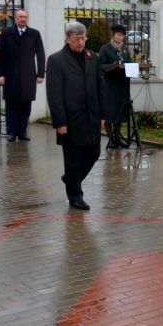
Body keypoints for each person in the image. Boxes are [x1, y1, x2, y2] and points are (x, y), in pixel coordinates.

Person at [46, 22, 104, 210]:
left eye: (83, 38)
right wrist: (59, 121)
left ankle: (71, 179)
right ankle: (75, 196)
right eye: (76, 39)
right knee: (73, 159)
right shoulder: (56, 60)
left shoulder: (92, 57)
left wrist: (103, 114)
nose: (80, 42)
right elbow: (54, 93)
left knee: (94, 152)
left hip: (91, 115)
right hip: (70, 119)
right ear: (67, 38)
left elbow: (100, 87)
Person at [0, 8, 45, 141]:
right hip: (11, 75)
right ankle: (11, 132)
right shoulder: (6, 33)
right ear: (15, 18)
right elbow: (0, 55)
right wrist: (0, 74)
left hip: (28, 76)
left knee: (25, 105)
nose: (23, 19)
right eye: (20, 17)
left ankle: (22, 131)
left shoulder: (34, 34)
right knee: (11, 105)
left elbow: (40, 54)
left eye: (25, 17)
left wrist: (40, 74)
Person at [98, 24, 133, 149]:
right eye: (118, 35)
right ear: (113, 35)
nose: (120, 37)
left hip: (122, 85)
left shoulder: (124, 49)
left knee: (119, 111)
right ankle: (111, 139)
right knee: (109, 112)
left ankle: (117, 138)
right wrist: (111, 66)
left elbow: (129, 63)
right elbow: (100, 65)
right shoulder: (105, 48)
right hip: (109, 85)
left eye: (122, 35)